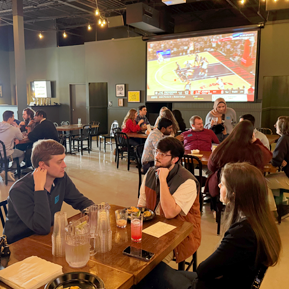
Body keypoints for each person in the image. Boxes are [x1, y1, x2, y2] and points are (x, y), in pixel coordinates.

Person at [135, 163, 281, 289]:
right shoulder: (261, 222)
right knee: (158, 270)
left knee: (146, 271)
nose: (218, 186)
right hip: (233, 282)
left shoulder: (243, 233)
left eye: (223, 184)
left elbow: (203, 270)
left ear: (235, 193)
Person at [3, 139, 94, 244]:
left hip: (46, 238)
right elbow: (41, 227)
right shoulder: (19, 191)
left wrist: (94, 213)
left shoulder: (61, 178)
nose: (64, 165)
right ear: (42, 165)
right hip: (20, 245)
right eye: (59, 162)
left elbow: (80, 200)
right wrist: (39, 189)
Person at [138, 137, 201, 264]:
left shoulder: (187, 181)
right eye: (157, 152)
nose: (157, 156)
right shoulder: (150, 173)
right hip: (152, 226)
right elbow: (141, 205)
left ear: (175, 159)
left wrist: (162, 180)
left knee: (152, 263)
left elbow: (169, 213)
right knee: (128, 252)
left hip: (179, 234)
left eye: (163, 154)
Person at [205, 120, 273, 209]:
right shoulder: (255, 150)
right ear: (252, 135)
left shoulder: (222, 147)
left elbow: (211, 166)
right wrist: (256, 141)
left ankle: (217, 209)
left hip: (224, 185)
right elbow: (269, 156)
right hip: (248, 187)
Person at [265, 116, 289, 213]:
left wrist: (276, 159)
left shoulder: (284, 139)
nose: (274, 126)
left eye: (276, 124)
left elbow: (275, 161)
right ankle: (281, 207)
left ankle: (272, 212)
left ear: (282, 127)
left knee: (263, 182)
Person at [0, 111, 24, 182]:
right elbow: (21, 137)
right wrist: (16, 127)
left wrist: (13, 137)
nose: (14, 119)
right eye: (13, 117)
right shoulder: (13, 129)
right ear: (10, 118)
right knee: (22, 153)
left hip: (0, 153)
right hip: (7, 153)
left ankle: (4, 170)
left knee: (4, 152)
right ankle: (11, 172)